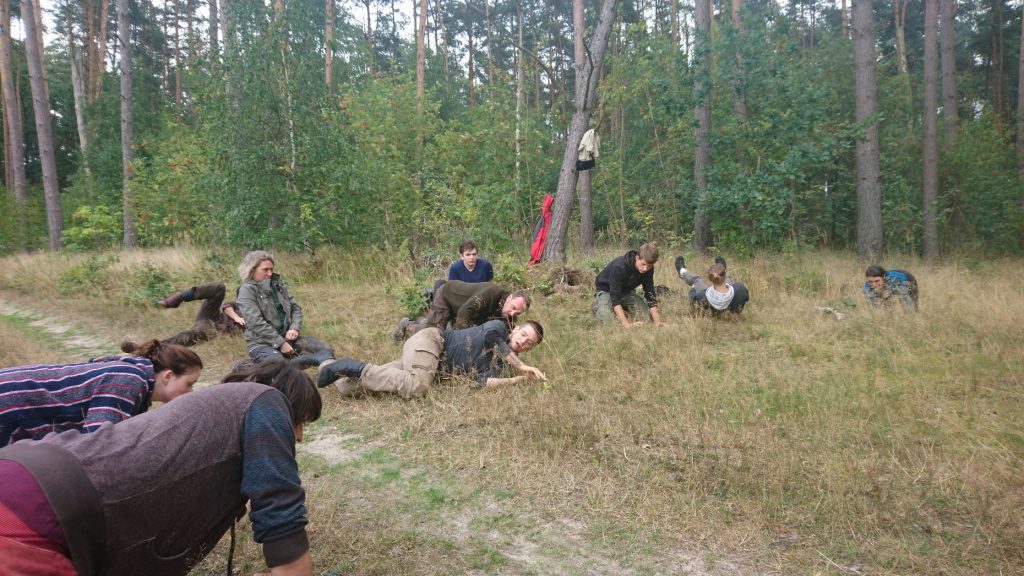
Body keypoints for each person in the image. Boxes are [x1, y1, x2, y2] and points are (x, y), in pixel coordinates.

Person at [0, 371, 321, 576]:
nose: (300, 436)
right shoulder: (266, 402)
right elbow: (282, 519)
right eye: (301, 422)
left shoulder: (210, 412)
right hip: (36, 514)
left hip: (20, 475)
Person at [0, 340, 202, 447]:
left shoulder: (128, 373)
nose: (191, 392)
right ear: (168, 376)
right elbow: (96, 443)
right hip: (7, 403)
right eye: (189, 384)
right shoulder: (130, 380)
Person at [318, 319, 546, 399]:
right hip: (432, 342)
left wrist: (520, 379)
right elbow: (491, 337)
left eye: (529, 343)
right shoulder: (498, 327)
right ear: (515, 329)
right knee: (417, 386)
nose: (523, 342)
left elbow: (482, 383)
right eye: (523, 335)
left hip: (428, 366)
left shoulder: (501, 365)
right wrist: (522, 366)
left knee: (347, 388)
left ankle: (326, 361)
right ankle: (356, 366)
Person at [236, 250, 335, 366]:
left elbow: (295, 308)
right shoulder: (246, 290)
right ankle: (249, 367)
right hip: (261, 343)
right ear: (252, 270)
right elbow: (255, 322)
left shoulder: (278, 285)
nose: (270, 273)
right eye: (265, 270)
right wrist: (280, 343)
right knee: (279, 365)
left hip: (287, 338)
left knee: (325, 348)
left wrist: (294, 328)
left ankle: (327, 370)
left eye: (271, 269)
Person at [397, 280, 530, 339]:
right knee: (433, 335)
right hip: (448, 296)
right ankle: (407, 325)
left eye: (517, 313)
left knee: (439, 331)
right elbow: (463, 314)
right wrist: (463, 340)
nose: (512, 314)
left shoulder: (509, 314)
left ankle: (425, 321)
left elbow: (506, 336)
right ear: (509, 297)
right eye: (513, 308)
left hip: (463, 309)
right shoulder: (491, 293)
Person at [592, 243, 666, 327]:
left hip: (626, 291)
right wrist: (627, 325)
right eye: (643, 264)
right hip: (607, 290)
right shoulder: (619, 266)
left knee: (646, 316)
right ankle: (598, 305)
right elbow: (615, 296)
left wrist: (657, 322)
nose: (645, 268)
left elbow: (649, 292)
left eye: (649, 266)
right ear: (637, 258)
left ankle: (622, 309)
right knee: (606, 318)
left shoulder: (649, 269)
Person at [156, 281, 246, 346]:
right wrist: (236, 317)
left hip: (215, 328)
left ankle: (160, 346)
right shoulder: (241, 304)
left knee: (194, 334)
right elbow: (227, 307)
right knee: (219, 287)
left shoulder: (254, 314)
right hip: (212, 316)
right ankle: (178, 298)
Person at [674, 255, 750, 315]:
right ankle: (721, 267)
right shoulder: (740, 288)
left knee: (698, 279)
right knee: (729, 284)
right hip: (733, 311)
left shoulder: (703, 295)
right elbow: (746, 297)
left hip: (712, 308)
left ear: (710, 279)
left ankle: (682, 270)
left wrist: (693, 289)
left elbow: (693, 300)